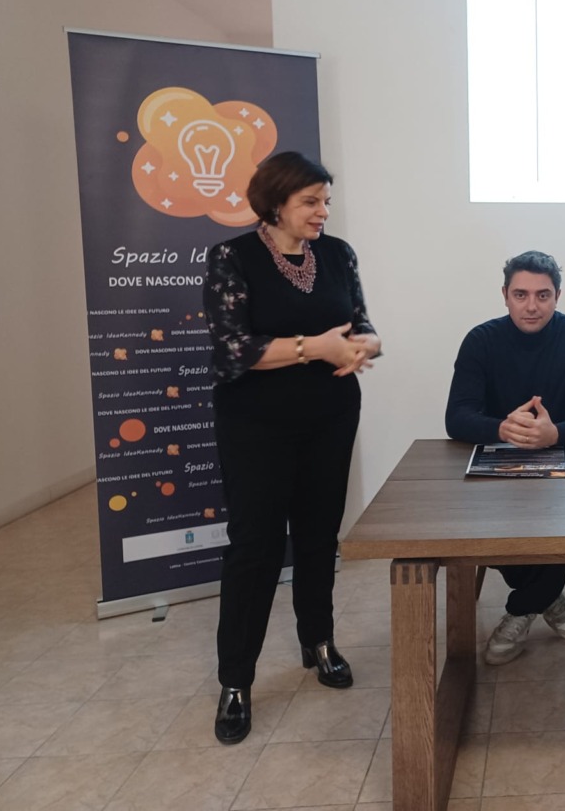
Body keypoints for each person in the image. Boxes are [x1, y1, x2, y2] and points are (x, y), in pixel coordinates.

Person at [204, 152, 382, 744]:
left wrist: (364, 346)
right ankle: (236, 680)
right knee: (254, 548)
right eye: (310, 201)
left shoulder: (338, 254)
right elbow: (233, 350)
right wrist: (316, 348)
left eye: (326, 200)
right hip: (256, 424)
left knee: (318, 535)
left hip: (331, 415)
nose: (322, 211)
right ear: (275, 202)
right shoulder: (232, 257)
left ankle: (319, 641)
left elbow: (361, 325)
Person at [445, 251, 565, 664]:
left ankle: (522, 608)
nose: (531, 305)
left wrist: (555, 433)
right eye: (521, 294)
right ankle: (550, 600)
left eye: (543, 295)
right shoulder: (481, 340)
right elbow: (457, 417)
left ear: (558, 296)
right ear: (505, 295)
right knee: (484, 526)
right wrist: (502, 428)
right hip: (500, 465)